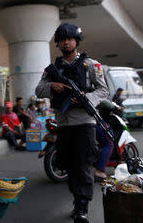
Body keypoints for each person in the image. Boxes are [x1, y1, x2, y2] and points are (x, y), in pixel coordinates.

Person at [35, 23, 108, 223]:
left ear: (77, 41)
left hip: (85, 122)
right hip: (63, 123)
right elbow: (38, 90)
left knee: (83, 164)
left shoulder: (91, 65)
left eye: (70, 38)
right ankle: (78, 199)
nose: (66, 42)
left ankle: (82, 208)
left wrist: (86, 98)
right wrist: (53, 86)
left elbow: (103, 90)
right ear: (58, 43)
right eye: (62, 39)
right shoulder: (52, 69)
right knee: (68, 164)